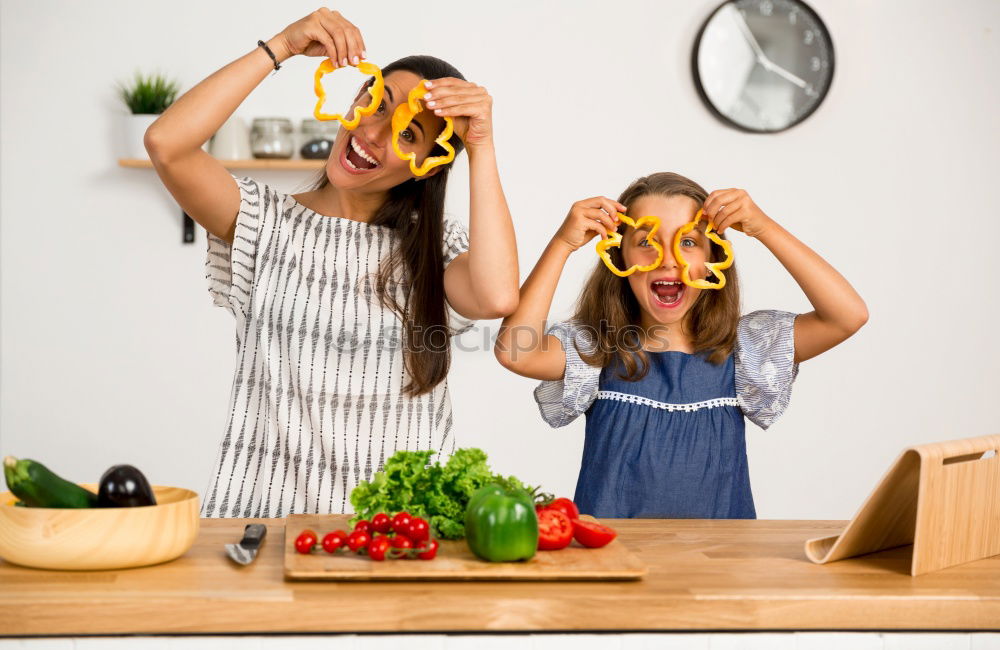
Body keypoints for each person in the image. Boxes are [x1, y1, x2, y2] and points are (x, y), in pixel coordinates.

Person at [145, 9, 519, 517]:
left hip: (397, 534)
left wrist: (482, 144)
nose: (375, 132)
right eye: (376, 103)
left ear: (426, 166)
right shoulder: (262, 221)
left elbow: (497, 296)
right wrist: (280, 46)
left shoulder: (434, 250)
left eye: (409, 134)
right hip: (263, 523)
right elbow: (167, 144)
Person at [495, 172, 867, 518]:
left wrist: (764, 228)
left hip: (717, 566)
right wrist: (562, 245)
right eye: (646, 242)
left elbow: (847, 315)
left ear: (712, 260)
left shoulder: (746, 348)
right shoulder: (595, 349)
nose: (668, 258)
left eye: (688, 242)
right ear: (617, 256)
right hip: (613, 560)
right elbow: (516, 351)